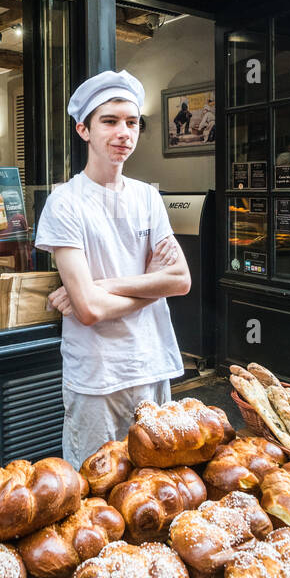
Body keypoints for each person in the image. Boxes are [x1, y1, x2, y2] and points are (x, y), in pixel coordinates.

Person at [35, 70, 191, 469]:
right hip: (98, 373)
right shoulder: (65, 203)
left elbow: (181, 280)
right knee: (94, 491)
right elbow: (88, 310)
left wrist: (104, 285)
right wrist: (154, 285)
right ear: (83, 129)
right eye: (110, 121)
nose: (124, 132)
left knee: (158, 478)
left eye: (132, 122)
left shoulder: (149, 197)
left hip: (152, 361)